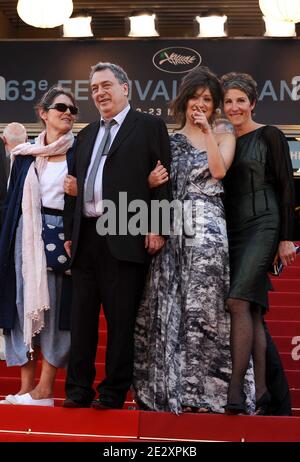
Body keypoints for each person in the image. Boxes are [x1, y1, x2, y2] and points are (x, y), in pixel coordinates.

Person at [133, 66, 255, 414]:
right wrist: (151, 184)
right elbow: (155, 188)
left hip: (208, 230)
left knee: (204, 310)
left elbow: (219, 172)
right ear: (184, 101)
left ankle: (206, 392)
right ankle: (167, 388)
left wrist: (209, 133)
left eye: (207, 100)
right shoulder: (167, 142)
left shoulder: (225, 134)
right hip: (173, 230)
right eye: (195, 98)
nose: (200, 105)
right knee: (168, 306)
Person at [62, 62, 172, 410]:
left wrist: (158, 226)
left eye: (106, 85)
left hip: (125, 232)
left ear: (126, 88)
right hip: (86, 238)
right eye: (94, 88)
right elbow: (73, 188)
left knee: (121, 322)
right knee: (80, 322)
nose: (100, 93)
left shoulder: (149, 127)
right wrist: (70, 232)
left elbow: (162, 181)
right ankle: (77, 392)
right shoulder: (86, 134)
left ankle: (112, 393)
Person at [220, 72, 295, 415]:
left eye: (240, 100)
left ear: (252, 103)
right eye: (228, 101)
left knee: (237, 301)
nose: (234, 107)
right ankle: (263, 390)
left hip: (264, 224)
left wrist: (286, 238)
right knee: (251, 308)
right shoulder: (224, 140)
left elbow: (285, 187)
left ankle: (236, 389)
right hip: (232, 232)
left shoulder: (270, 135)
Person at [0, 86, 77, 406]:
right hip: (24, 238)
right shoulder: (24, 156)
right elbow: (11, 202)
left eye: (73, 109)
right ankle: (25, 388)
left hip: (63, 237)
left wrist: (78, 191)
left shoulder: (79, 152)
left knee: (57, 311)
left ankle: (45, 390)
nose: (68, 113)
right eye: (60, 107)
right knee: (21, 309)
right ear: (43, 114)